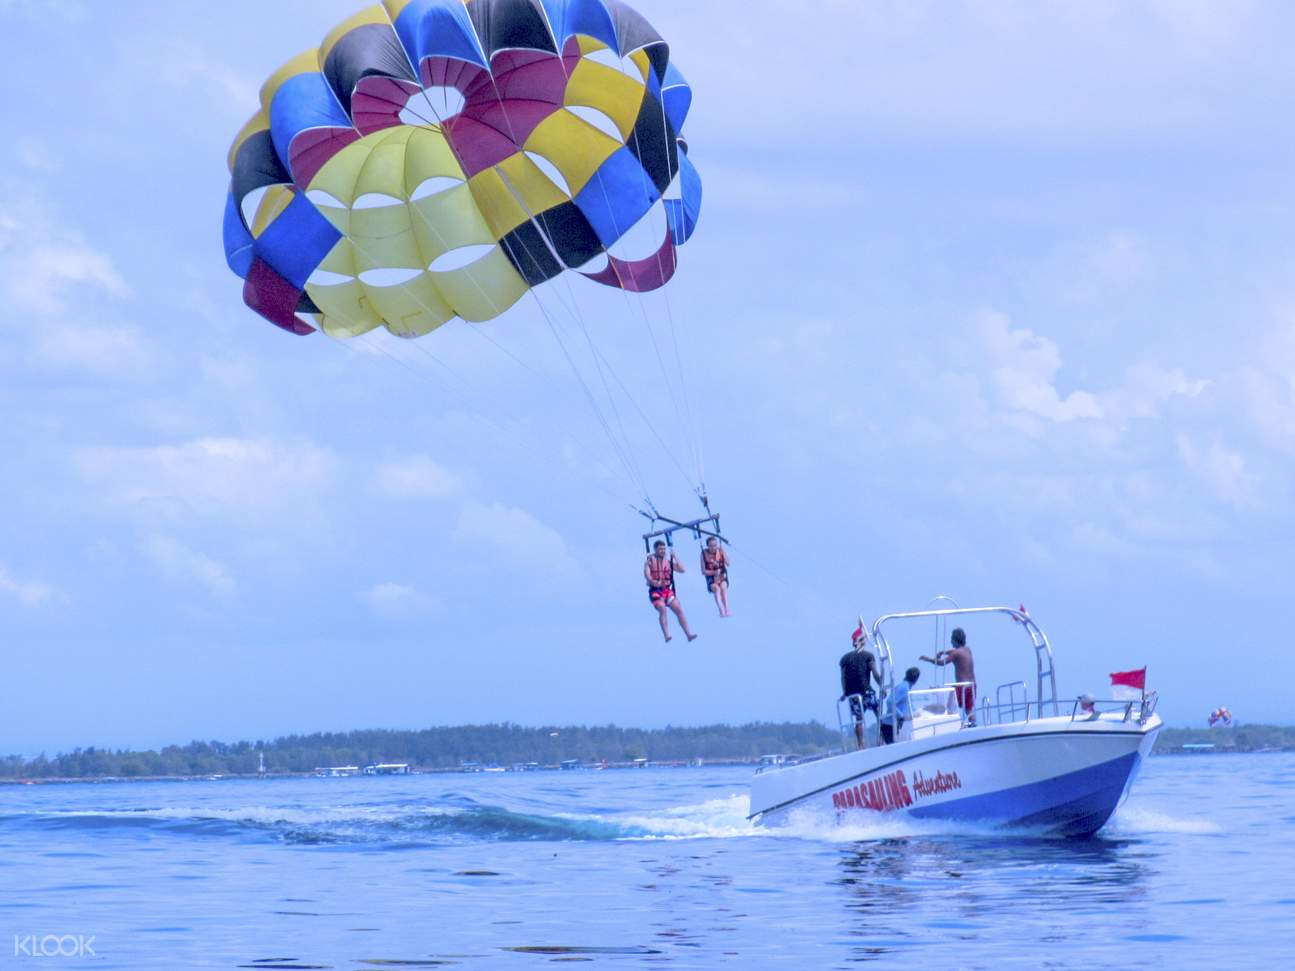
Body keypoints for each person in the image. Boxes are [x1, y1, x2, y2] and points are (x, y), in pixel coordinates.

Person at [921, 627, 978, 725]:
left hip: (962, 686)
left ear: (955, 640)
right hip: (972, 685)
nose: (950, 641)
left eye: (951, 639)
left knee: (949, 706)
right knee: (968, 709)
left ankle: (951, 725)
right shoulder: (967, 650)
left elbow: (942, 662)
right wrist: (943, 652)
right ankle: (973, 724)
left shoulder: (956, 653)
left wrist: (928, 659)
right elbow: (953, 652)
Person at [839, 625, 883, 749]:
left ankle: (861, 745)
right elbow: (875, 673)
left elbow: (843, 678)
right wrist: (882, 686)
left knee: (859, 719)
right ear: (861, 640)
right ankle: (881, 740)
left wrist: (844, 693)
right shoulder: (868, 656)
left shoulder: (844, 659)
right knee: (878, 713)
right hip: (866, 691)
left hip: (852, 694)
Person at [644, 540, 696, 643]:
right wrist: (653, 582)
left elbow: (682, 570)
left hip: (667, 590)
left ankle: (689, 634)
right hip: (655, 591)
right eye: (660, 549)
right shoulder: (650, 561)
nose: (663, 551)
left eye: (664, 549)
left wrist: (675, 556)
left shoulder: (668, 562)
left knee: (678, 609)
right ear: (655, 550)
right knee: (662, 609)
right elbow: (647, 576)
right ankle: (667, 635)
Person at [881, 667, 921, 744]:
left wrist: (917, 712)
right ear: (916, 679)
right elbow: (889, 702)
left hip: (895, 725)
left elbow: (908, 704)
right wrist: (901, 716)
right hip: (890, 726)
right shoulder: (904, 687)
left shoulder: (907, 687)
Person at [700, 536, 731, 617]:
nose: (714, 547)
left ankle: (727, 609)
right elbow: (703, 571)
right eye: (711, 546)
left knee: (723, 588)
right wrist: (714, 572)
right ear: (708, 546)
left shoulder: (720, 551)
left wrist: (723, 552)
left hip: (722, 576)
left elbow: (728, 563)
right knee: (717, 589)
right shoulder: (703, 554)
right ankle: (721, 609)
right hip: (711, 579)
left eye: (715, 545)